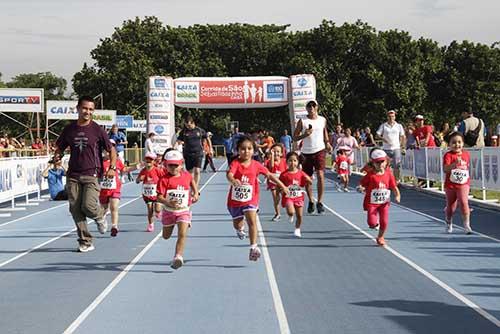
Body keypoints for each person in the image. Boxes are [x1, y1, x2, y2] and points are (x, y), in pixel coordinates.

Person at [54, 95, 116, 253]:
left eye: (91, 109)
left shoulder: (97, 129)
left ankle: (100, 215)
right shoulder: (69, 129)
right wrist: (57, 156)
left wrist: (112, 167)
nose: (87, 112)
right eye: (85, 108)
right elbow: (60, 147)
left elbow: (111, 150)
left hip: (92, 173)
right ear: (78, 109)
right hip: (73, 174)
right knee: (75, 208)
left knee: (88, 206)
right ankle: (85, 241)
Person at [226, 136, 288, 261]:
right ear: (238, 150)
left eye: (249, 148)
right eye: (243, 149)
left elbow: (269, 175)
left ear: (253, 151)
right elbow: (229, 174)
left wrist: (282, 185)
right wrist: (233, 180)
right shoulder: (235, 163)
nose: (246, 151)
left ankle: (253, 247)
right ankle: (239, 229)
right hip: (235, 201)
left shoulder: (256, 165)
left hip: (251, 199)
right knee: (238, 224)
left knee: (252, 221)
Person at [157, 150, 199, 269]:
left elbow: (192, 182)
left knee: (182, 234)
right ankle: (176, 253)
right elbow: (159, 197)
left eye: (176, 165)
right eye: (170, 165)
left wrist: (196, 193)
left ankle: (178, 257)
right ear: (166, 165)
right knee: (166, 236)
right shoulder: (164, 179)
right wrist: (167, 201)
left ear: (181, 164)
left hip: (183, 210)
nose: (174, 168)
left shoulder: (186, 175)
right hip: (169, 211)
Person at [293, 99, 332, 214]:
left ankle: (320, 202)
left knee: (320, 175)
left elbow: (324, 132)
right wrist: (305, 134)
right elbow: (295, 137)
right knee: (308, 179)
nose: (311, 108)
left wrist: (327, 142)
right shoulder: (302, 121)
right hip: (306, 152)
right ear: (306, 108)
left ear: (317, 107)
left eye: (313, 106)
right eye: (309, 106)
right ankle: (311, 200)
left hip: (319, 150)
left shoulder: (322, 120)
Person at [359, 149, 401, 246]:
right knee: (372, 223)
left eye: (382, 161)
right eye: (377, 162)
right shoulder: (370, 175)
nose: (380, 164)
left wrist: (397, 195)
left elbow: (394, 187)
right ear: (373, 163)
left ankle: (380, 237)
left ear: (386, 161)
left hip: (384, 203)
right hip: (372, 203)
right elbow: (362, 183)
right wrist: (361, 187)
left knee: (384, 221)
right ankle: (374, 224)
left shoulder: (389, 174)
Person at [443, 132, 472, 234]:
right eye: (454, 142)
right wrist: (454, 164)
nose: (457, 145)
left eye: (459, 142)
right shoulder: (448, 155)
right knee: (451, 207)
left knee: (464, 202)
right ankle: (448, 221)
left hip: (463, 183)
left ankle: (467, 225)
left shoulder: (466, 154)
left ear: (463, 143)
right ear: (449, 144)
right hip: (450, 184)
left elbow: (467, 168)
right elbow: (445, 169)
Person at [279, 152, 312, 238]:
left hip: (298, 197)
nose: (292, 163)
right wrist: (281, 190)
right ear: (287, 162)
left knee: (300, 215)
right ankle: (290, 214)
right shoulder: (284, 174)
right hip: (288, 197)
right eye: (290, 161)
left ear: (298, 162)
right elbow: (279, 185)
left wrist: (308, 180)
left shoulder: (301, 173)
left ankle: (297, 229)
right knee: (291, 211)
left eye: (294, 161)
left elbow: (309, 181)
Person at [176, 115, 208, 187]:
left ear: (193, 123)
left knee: (197, 171)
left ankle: (196, 187)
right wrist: (180, 142)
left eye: (189, 125)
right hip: (188, 153)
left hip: (198, 153)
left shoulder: (199, 130)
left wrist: (210, 148)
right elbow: (178, 140)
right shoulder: (184, 132)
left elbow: (206, 138)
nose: (188, 127)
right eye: (186, 125)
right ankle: (191, 187)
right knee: (190, 173)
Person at [136, 152, 164, 232]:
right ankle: (151, 224)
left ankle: (158, 211)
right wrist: (140, 179)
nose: (148, 162)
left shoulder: (157, 170)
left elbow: (163, 178)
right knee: (150, 209)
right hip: (147, 194)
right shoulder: (143, 171)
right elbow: (137, 181)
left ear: (154, 161)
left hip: (156, 193)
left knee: (157, 209)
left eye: (150, 160)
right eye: (147, 160)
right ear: (144, 161)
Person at [376, 110, 406, 180]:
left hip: (396, 148)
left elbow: (402, 136)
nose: (391, 118)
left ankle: (396, 180)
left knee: (397, 165)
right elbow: (377, 135)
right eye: (389, 116)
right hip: (386, 148)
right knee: (385, 165)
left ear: (395, 117)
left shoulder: (399, 126)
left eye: (392, 116)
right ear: (387, 117)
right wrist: (383, 139)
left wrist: (402, 146)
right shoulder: (383, 125)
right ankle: (386, 179)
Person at [265, 143, 287, 221]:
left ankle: (286, 203)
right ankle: (278, 213)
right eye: (274, 151)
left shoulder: (284, 161)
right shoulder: (269, 161)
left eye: (278, 152)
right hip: (273, 183)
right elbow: (271, 166)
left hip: (282, 183)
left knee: (285, 197)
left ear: (281, 153)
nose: (276, 153)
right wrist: (272, 156)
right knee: (276, 198)